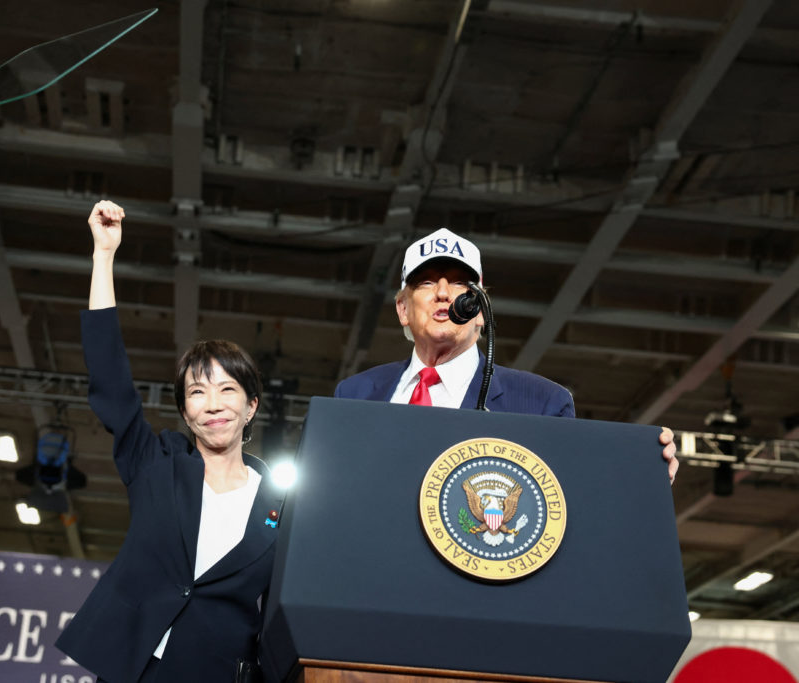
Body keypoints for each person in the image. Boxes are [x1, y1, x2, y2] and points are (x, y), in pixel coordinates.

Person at [56, 201, 279, 682]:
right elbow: (111, 379)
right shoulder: (155, 464)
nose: (213, 404)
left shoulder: (282, 502)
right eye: (198, 392)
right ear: (184, 411)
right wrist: (103, 255)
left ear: (252, 406)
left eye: (228, 390)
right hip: (133, 668)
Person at [334, 228, 679, 482]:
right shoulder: (353, 395)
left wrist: (642, 474)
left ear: (480, 310)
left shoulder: (542, 403)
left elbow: (574, 497)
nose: (441, 293)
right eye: (425, 282)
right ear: (403, 309)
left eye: (458, 283)